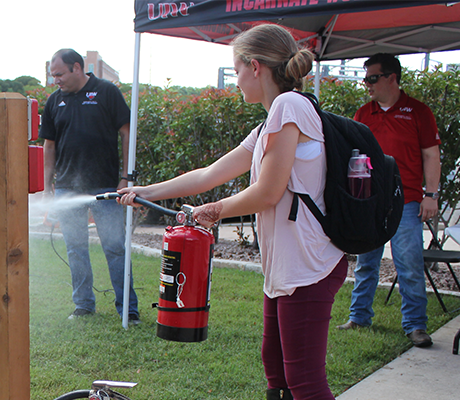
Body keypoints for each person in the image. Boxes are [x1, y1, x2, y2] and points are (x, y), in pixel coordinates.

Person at [117, 23, 344, 400]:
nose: (235, 80)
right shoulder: (269, 122)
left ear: (255, 67)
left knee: (305, 382)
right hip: (286, 267)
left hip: (309, 267)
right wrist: (145, 191)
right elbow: (208, 174)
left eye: (237, 70)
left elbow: (268, 192)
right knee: (275, 368)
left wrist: (213, 210)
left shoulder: (290, 107)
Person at [336, 53, 441, 349]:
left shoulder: (418, 111)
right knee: (366, 261)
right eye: (365, 77)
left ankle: (416, 325)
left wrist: (431, 195)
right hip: (369, 201)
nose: (366, 84)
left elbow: (431, 155)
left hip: (407, 201)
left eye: (372, 78)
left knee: (408, 264)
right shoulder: (363, 113)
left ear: (391, 78)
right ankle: (358, 316)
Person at [40, 48, 139, 324]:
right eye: (52, 75)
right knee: (75, 248)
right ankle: (83, 305)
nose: (55, 80)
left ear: (77, 68)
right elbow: (49, 145)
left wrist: (127, 177)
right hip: (68, 187)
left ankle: (128, 310)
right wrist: (48, 186)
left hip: (106, 187)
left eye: (59, 74)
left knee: (115, 247)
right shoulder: (54, 102)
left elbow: (127, 132)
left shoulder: (106, 92)